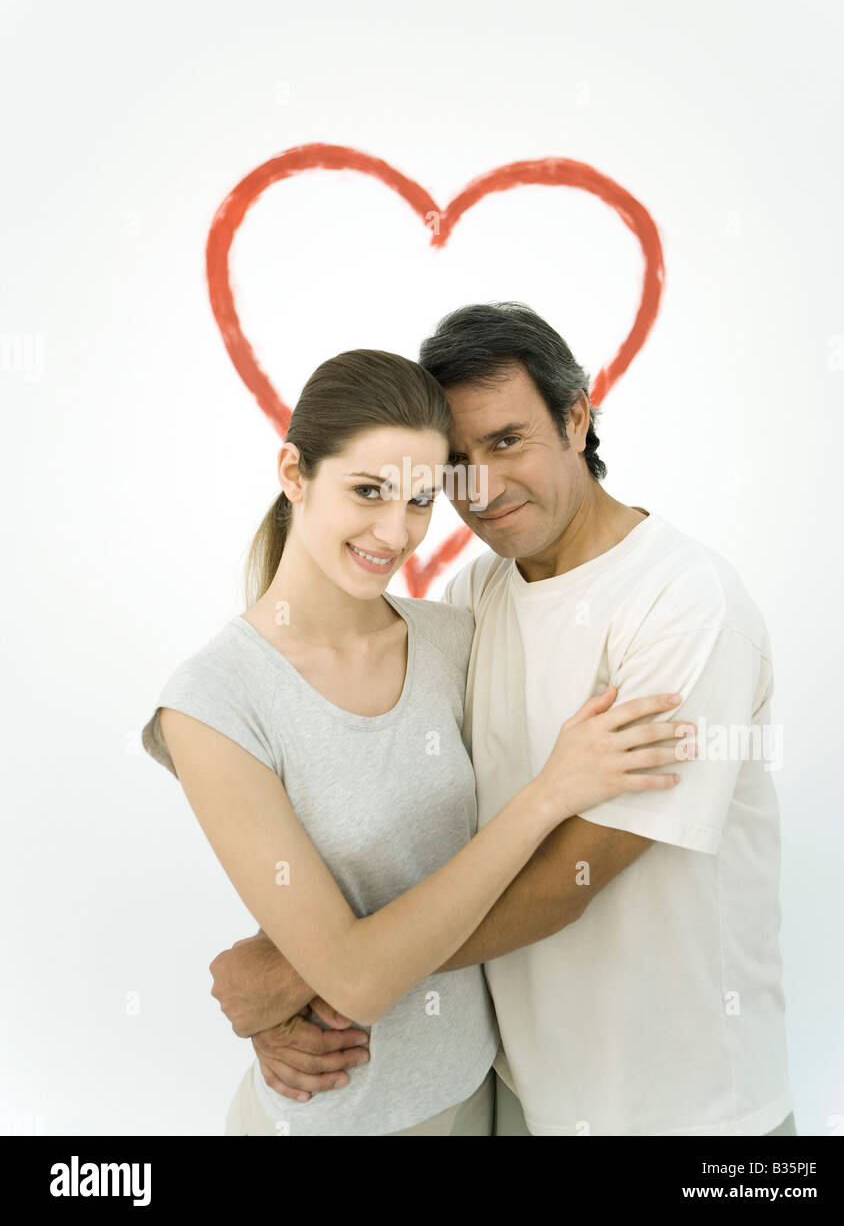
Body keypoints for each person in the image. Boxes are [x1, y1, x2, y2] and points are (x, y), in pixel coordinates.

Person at [211, 304, 795, 1137]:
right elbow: (405, 827)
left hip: (687, 1107)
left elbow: (570, 882)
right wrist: (307, 980)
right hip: (513, 1089)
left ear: (575, 417)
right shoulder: (475, 598)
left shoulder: (683, 603)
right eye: (453, 463)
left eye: (506, 442)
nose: (479, 487)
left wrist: (312, 974)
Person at [140, 348, 692, 1137]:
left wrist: (276, 978)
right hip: (339, 1115)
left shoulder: (453, 638)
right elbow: (358, 978)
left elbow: (459, 882)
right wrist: (547, 796)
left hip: (485, 1089)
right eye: (367, 491)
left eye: (420, 499)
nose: (396, 532)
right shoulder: (210, 704)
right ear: (293, 472)